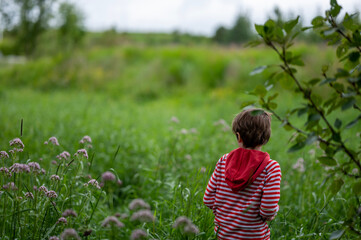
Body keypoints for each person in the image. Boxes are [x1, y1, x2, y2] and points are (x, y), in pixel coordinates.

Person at [203, 108, 281, 240]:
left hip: (223, 235)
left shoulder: (223, 161)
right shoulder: (270, 168)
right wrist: (273, 213)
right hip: (255, 236)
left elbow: (208, 199)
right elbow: (267, 209)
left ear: (238, 136)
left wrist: (226, 216)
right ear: (266, 138)